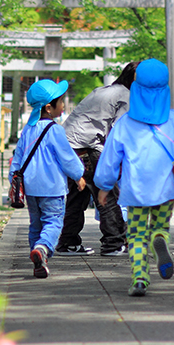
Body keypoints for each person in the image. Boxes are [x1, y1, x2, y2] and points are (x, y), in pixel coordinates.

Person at [94, 59, 174, 297]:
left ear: (136, 89)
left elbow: (110, 159)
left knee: (136, 235)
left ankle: (140, 278)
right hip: (167, 189)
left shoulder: (125, 124)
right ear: (166, 89)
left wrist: (104, 186)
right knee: (160, 226)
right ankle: (160, 238)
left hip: (135, 191)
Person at [54, 61, 137, 257]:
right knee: (107, 193)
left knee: (78, 194)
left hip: (69, 145)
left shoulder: (103, 90)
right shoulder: (127, 95)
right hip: (88, 146)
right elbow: (120, 131)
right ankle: (113, 243)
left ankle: (68, 242)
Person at [10, 79, 87, 279]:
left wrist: (13, 180)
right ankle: (43, 249)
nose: (63, 105)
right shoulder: (55, 130)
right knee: (53, 222)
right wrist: (79, 175)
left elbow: (17, 159)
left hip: (30, 188)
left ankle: (37, 257)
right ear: (49, 107)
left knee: (36, 224)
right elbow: (67, 157)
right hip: (52, 188)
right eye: (60, 102)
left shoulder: (27, 130)